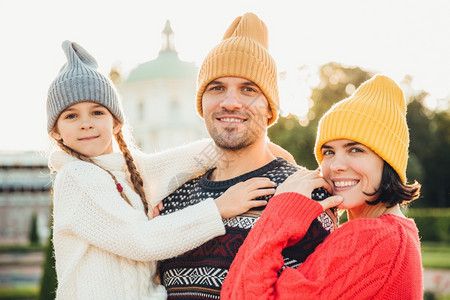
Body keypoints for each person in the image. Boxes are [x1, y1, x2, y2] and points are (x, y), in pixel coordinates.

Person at [47, 40, 278, 299]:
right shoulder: (77, 176)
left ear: (115, 122)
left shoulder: (126, 171)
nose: (86, 124)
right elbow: (142, 240)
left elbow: (187, 159)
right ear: (56, 131)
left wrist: (270, 153)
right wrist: (220, 208)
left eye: (97, 112)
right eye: (71, 116)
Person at [158, 12, 338, 299]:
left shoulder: (304, 193)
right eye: (217, 88)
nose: (231, 102)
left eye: (248, 89)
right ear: (201, 104)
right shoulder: (173, 197)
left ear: (269, 109)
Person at [222, 74, 423, 299]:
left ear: (389, 161)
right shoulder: (399, 233)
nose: (335, 165)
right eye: (328, 152)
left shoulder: (373, 237)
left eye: (355, 150)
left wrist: (281, 211)